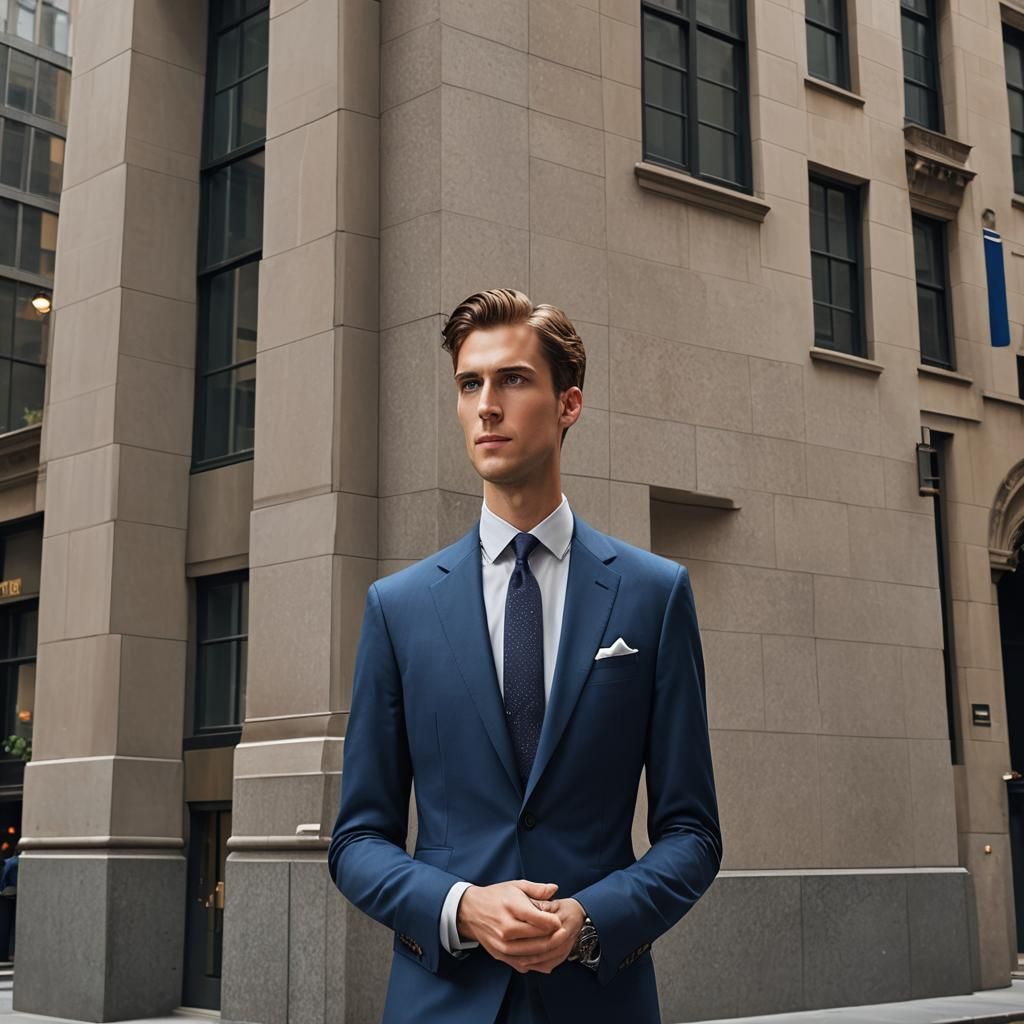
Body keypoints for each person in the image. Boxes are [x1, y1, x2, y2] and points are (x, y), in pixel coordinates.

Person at [327, 288, 722, 1023]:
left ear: (568, 404)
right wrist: (462, 906)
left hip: (598, 1001)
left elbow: (693, 833)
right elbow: (356, 841)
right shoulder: (399, 608)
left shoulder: (653, 595)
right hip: (441, 1002)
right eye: (469, 384)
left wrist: (592, 919)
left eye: (511, 379)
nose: (486, 405)